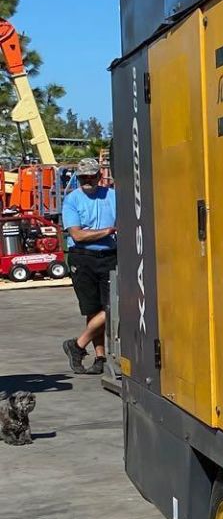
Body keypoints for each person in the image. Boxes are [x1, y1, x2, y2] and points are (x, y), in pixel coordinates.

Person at [60, 157, 117, 375]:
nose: (87, 181)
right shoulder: (72, 200)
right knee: (92, 309)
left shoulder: (112, 196)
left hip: (110, 256)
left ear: (99, 176)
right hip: (82, 258)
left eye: (91, 176)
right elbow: (77, 235)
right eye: (83, 177)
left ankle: (77, 345)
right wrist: (108, 232)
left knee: (111, 305)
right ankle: (100, 357)